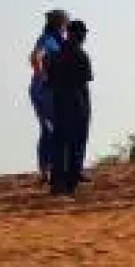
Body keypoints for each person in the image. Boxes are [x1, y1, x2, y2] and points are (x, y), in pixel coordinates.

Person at [47, 20, 93, 196]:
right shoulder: (81, 55)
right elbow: (85, 82)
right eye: (83, 33)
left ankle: (57, 184)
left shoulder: (56, 56)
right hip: (77, 104)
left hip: (59, 105)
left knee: (60, 144)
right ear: (76, 34)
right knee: (76, 144)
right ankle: (70, 184)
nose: (84, 37)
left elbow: (49, 82)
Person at [28, 10, 68, 183]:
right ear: (61, 24)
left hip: (42, 89)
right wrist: (42, 74)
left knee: (48, 129)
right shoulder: (48, 39)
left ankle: (46, 170)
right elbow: (35, 56)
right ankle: (53, 169)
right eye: (66, 23)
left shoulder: (54, 39)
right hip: (46, 90)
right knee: (56, 128)